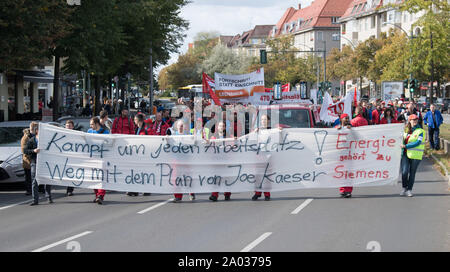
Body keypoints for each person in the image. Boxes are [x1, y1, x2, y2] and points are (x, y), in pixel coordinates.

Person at [339, 106, 368, 198]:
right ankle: (342, 190)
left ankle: (348, 191)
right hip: (341, 154)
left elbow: (358, 138)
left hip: (350, 154)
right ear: (341, 119)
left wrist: (351, 130)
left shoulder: (351, 128)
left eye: (348, 118)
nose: (347, 120)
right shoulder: (338, 128)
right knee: (342, 173)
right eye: (345, 118)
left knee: (349, 173)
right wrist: (338, 130)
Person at [25, 124, 52, 206]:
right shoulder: (32, 140)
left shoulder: (47, 140)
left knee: (47, 180)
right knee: (34, 181)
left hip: (45, 163)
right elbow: (25, 150)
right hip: (35, 162)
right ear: (36, 131)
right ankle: (35, 200)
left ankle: (48, 196)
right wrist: (34, 150)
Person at [400, 114, 426, 197]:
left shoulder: (420, 131)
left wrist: (406, 146)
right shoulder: (405, 129)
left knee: (412, 173)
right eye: (413, 119)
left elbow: (418, 142)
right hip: (405, 153)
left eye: (416, 119)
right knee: (404, 172)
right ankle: (404, 188)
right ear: (409, 120)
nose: (415, 121)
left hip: (415, 155)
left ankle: (409, 190)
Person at [126, 113, 151, 197]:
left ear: (138, 121)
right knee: (136, 172)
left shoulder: (145, 130)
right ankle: (135, 190)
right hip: (137, 154)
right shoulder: (137, 128)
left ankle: (146, 189)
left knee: (143, 172)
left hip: (143, 155)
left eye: (135, 120)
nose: (134, 121)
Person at [87, 117, 109, 204]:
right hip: (92, 158)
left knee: (101, 177)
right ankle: (97, 195)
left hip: (102, 158)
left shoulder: (105, 132)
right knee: (94, 177)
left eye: (92, 124)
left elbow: (108, 144)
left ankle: (100, 195)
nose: (91, 126)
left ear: (97, 124)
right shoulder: (89, 131)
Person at [209, 121, 232, 201]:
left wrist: (235, 140)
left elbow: (233, 145)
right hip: (216, 160)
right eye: (220, 126)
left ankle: (227, 194)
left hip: (226, 160)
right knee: (216, 177)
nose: (221, 127)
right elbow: (210, 148)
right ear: (217, 127)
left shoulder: (229, 136)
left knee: (226, 178)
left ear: (225, 128)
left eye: (223, 126)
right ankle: (214, 195)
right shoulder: (213, 137)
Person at [252, 114, 272, 201]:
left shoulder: (272, 130)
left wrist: (280, 130)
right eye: (262, 120)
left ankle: (267, 194)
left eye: (265, 119)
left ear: (268, 121)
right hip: (259, 155)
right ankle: (257, 192)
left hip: (268, 155)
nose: (263, 121)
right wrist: (254, 133)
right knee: (257, 175)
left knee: (266, 175)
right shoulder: (257, 131)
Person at [21, 122, 38, 195]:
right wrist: (33, 152)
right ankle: (29, 190)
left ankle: (39, 188)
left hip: (37, 159)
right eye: (33, 128)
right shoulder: (26, 137)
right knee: (28, 176)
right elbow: (24, 149)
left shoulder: (38, 136)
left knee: (37, 175)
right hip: (28, 160)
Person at [65, 120, 76, 196]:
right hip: (64, 157)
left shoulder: (75, 135)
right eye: (67, 126)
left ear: (72, 127)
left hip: (72, 157)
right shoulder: (62, 134)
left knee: (71, 173)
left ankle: (70, 189)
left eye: (69, 126)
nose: (68, 127)